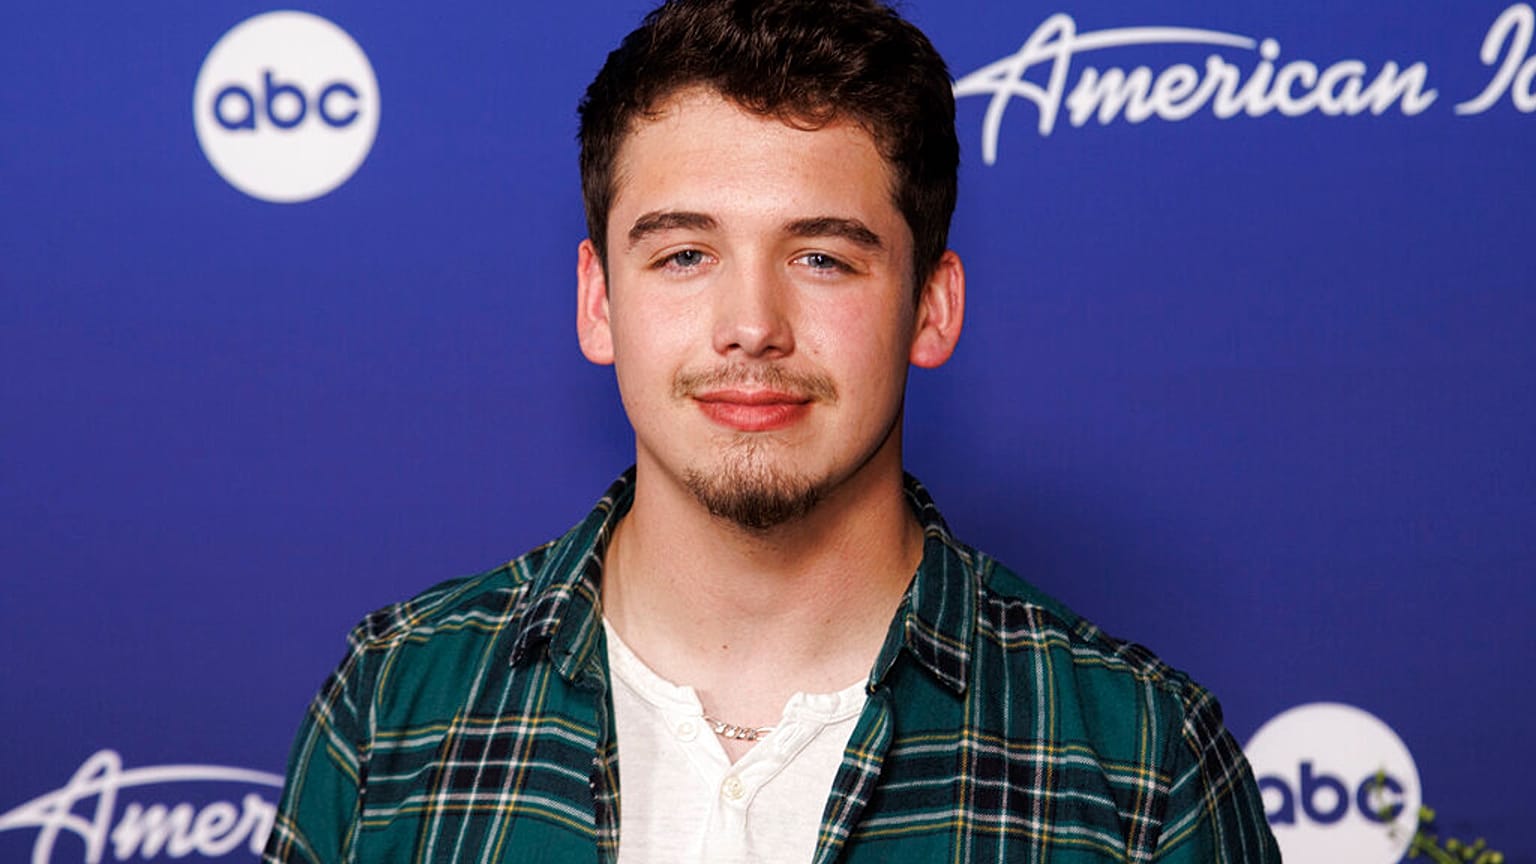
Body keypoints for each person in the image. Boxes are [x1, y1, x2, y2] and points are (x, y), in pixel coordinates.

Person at [263, 0, 1280, 861]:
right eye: (684, 256)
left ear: (931, 306)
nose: (753, 325)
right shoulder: (395, 706)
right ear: (597, 302)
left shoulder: (1142, 764)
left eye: (824, 259)